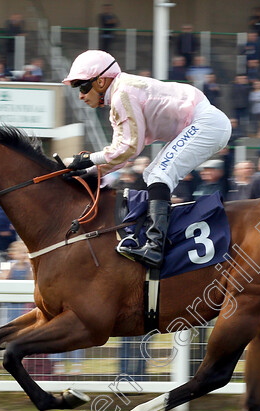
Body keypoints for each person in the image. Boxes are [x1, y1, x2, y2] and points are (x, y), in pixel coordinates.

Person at [62, 50, 231, 268]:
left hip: (206, 123)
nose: (81, 96)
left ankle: (155, 246)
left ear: (101, 81)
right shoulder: (120, 95)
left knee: (160, 174)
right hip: (201, 122)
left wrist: (88, 160)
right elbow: (121, 156)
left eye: (83, 87)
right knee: (151, 174)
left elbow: (127, 149)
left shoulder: (122, 95)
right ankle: (157, 237)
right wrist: (89, 172)